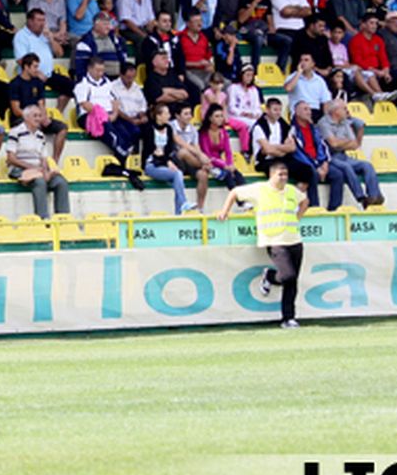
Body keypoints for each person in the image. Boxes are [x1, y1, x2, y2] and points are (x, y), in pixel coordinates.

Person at [215, 160, 307, 328]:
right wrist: (224, 211)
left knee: (292, 282)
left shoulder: (292, 191)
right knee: (288, 276)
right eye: (280, 174)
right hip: (274, 240)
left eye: (286, 174)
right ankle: (271, 276)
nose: (284, 178)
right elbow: (235, 192)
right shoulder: (259, 190)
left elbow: (304, 201)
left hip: (295, 239)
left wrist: (297, 217)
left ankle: (289, 318)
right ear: (272, 175)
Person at [6, 105, 71, 217]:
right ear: (26, 117)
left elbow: (43, 158)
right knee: (40, 181)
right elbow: (11, 159)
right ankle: (43, 219)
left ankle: (63, 218)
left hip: (38, 170)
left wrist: (45, 171)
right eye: (35, 116)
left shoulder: (40, 135)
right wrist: (32, 168)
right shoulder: (15, 132)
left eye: (40, 116)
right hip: (19, 168)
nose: (38, 119)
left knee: (61, 182)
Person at [317, 100, 382, 208]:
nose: (347, 111)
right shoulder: (323, 123)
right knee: (346, 167)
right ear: (336, 111)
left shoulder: (345, 122)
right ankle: (361, 197)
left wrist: (339, 142)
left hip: (343, 155)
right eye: (344, 109)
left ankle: (373, 197)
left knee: (367, 165)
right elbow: (333, 144)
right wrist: (343, 141)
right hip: (329, 157)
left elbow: (354, 144)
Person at [141, 103, 198, 214]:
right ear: (158, 116)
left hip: (164, 162)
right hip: (151, 164)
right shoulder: (149, 129)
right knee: (177, 174)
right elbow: (150, 150)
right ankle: (182, 204)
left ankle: (179, 211)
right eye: (166, 113)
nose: (169, 115)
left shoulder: (168, 129)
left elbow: (168, 150)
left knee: (177, 176)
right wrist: (166, 161)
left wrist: (166, 160)